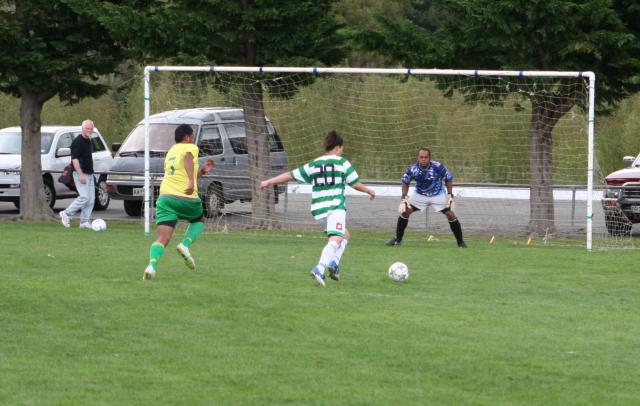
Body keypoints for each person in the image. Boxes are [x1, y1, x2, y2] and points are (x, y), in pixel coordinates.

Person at [260, 130, 376, 287]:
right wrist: (368, 190)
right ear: (338, 147)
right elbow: (354, 183)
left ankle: (334, 263)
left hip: (319, 210)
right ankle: (319, 268)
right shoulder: (342, 163)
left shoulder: (315, 164)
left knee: (345, 236)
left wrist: (269, 182)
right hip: (335, 207)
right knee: (335, 239)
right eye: (342, 149)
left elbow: (290, 175)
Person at [143, 124, 214, 280]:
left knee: (163, 238)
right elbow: (188, 158)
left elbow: (182, 171)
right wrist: (190, 182)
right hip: (185, 197)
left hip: (165, 197)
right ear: (187, 137)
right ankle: (185, 245)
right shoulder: (190, 147)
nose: (193, 139)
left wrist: (202, 172)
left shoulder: (170, 152)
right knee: (199, 218)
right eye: (192, 135)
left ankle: (151, 266)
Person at [386, 147, 467, 248]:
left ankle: (461, 243)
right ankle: (397, 240)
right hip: (420, 195)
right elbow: (405, 182)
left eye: (426, 157)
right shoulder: (413, 169)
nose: (423, 159)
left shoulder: (438, 166)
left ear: (430, 158)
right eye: (421, 157)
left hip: (437, 194)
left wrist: (450, 195)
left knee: (450, 214)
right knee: (405, 211)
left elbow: (448, 178)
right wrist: (404, 197)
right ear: (418, 158)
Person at [59, 119, 96, 229]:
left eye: (91, 128)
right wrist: (80, 175)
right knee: (84, 197)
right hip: (81, 174)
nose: (89, 130)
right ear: (82, 129)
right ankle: (66, 213)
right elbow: (75, 160)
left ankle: (84, 222)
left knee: (91, 199)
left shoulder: (88, 140)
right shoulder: (77, 142)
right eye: (87, 128)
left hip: (89, 174)